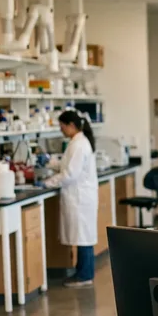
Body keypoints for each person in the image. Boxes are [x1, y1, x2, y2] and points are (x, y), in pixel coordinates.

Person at [44, 111, 99, 288]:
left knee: (84, 238)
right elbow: (68, 166)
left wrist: (48, 183)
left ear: (71, 125)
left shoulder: (79, 145)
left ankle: (84, 275)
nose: (61, 130)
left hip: (80, 197)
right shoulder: (77, 142)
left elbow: (70, 174)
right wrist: (50, 163)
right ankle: (82, 272)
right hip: (80, 196)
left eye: (62, 126)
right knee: (84, 237)